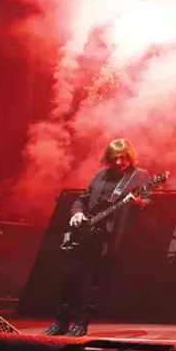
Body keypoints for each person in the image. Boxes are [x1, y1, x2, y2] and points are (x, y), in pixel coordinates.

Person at [44, 138, 153, 337]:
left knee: (94, 282)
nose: (119, 162)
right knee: (70, 277)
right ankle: (61, 322)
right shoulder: (101, 175)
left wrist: (136, 201)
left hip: (110, 236)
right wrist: (77, 212)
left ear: (130, 158)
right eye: (115, 158)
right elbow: (82, 198)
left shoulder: (140, 176)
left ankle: (81, 323)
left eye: (123, 158)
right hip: (86, 234)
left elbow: (147, 202)